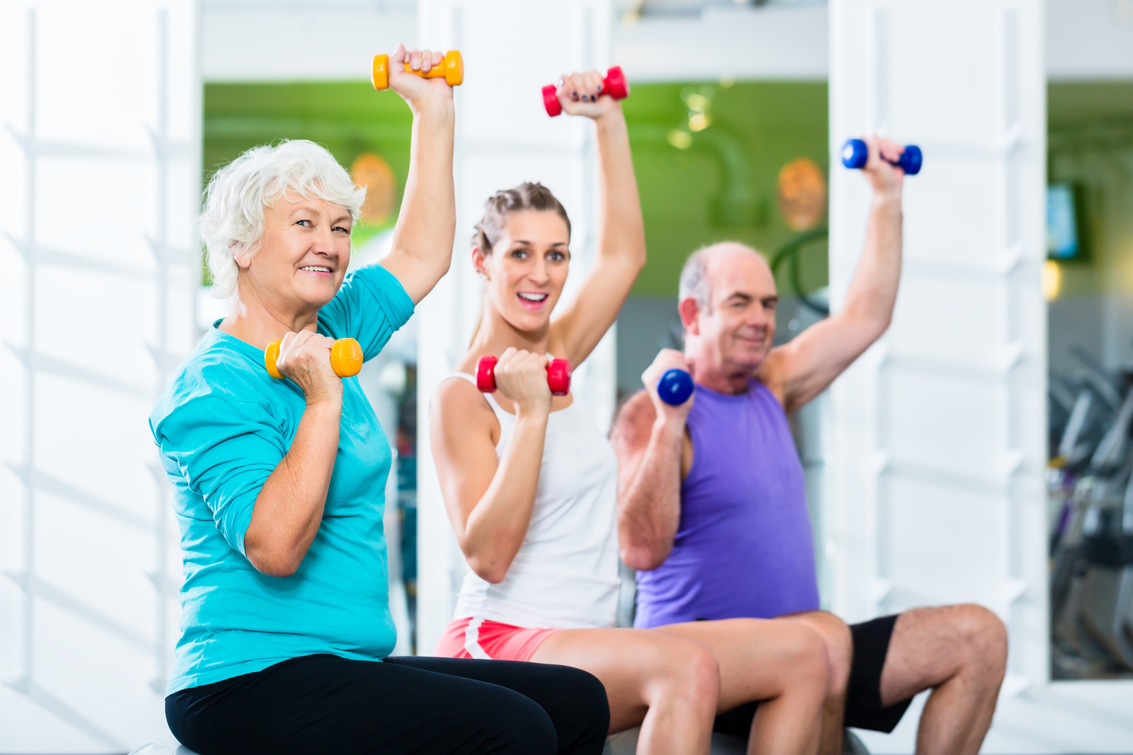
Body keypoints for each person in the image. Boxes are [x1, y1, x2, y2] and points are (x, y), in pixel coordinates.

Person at [150, 47, 609, 755]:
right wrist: (324, 402)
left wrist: (432, 108)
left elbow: (422, 251)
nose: (330, 245)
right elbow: (273, 546)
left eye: (339, 227)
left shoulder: (335, 324)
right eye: (304, 223)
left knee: (578, 699)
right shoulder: (213, 384)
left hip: (344, 663)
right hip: (245, 680)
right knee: (514, 729)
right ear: (242, 245)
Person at [429, 70, 827, 755]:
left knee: (803, 652)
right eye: (519, 253)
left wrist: (608, 119)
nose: (541, 274)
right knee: (685, 667)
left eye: (555, 255)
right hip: (497, 643)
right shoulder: (461, 393)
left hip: (585, 640)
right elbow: (487, 555)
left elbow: (623, 253)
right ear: (481, 261)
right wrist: (527, 416)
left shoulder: (558, 351)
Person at [610, 137, 1009, 755]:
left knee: (978, 636)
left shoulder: (773, 381)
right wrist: (670, 424)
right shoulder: (650, 415)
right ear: (694, 314)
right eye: (740, 302)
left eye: (768, 304)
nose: (761, 319)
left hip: (809, 656)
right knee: (818, 642)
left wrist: (886, 195)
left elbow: (864, 317)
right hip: (704, 666)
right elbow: (639, 549)